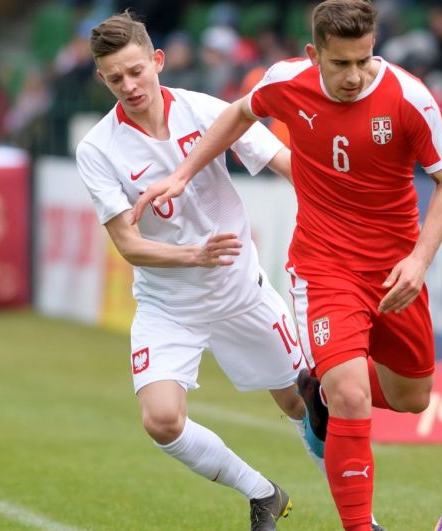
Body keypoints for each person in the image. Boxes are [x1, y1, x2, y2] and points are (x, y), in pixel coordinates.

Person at [133, 1, 442, 529]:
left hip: (395, 271)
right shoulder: (287, 82)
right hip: (324, 266)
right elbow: (240, 113)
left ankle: (315, 385)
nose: (354, 76)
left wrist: (419, 259)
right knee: (351, 393)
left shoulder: (410, 98)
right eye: (340, 64)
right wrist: (183, 174)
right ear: (314, 56)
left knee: (412, 398)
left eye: (363, 60)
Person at [76, 12, 323, 531]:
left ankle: (355, 504)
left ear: (157, 61)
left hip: (241, 294)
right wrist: (193, 256)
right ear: (102, 78)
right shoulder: (98, 149)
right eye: (115, 78)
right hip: (171, 305)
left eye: (136, 71)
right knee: (161, 420)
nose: (129, 85)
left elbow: (283, 160)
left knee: (304, 404)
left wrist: (335, 195)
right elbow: (128, 243)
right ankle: (262, 494)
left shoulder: (204, 110)